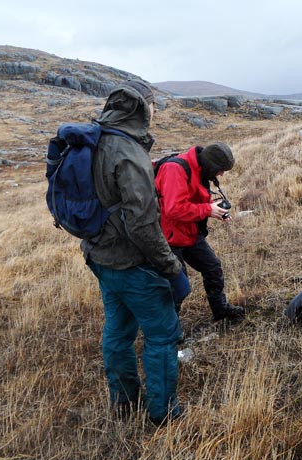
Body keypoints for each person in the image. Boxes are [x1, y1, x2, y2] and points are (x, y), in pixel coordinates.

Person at [81, 79, 190, 425]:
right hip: (131, 264)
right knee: (162, 333)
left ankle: (125, 402)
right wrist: (171, 267)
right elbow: (143, 226)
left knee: (117, 332)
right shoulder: (129, 152)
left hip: (100, 258)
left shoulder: (95, 140)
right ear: (144, 108)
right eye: (154, 106)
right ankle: (163, 413)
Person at [154, 142, 245, 321]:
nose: (221, 174)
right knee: (177, 287)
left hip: (189, 232)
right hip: (168, 238)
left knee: (212, 268)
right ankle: (168, 331)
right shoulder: (175, 169)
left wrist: (215, 210)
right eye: (220, 170)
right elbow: (173, 209)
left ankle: (220, 310)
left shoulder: (199, 169)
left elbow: (195, 198)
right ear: (211, 164)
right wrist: (207, 210)